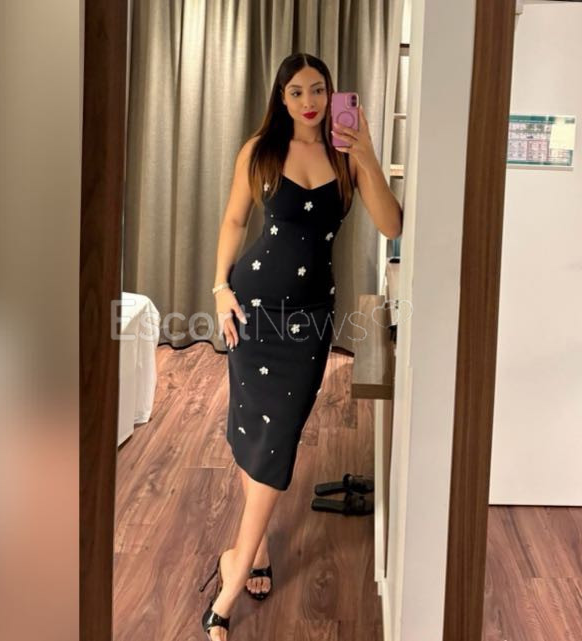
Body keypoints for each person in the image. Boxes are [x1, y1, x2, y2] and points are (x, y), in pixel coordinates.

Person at [199, 52, 402, 641]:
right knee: (252, 428)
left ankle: (232, 568)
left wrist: (366, 152)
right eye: (296, 92)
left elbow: (391, 225)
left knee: (278, 434)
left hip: (310, 319)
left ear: (332, 94)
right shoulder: (261, 149)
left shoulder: (347, 155)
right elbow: (234, 222)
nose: (309, 101)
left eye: (318, 89)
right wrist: (219, 289)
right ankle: (246, 563)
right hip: (253, 307)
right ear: (282, 99)